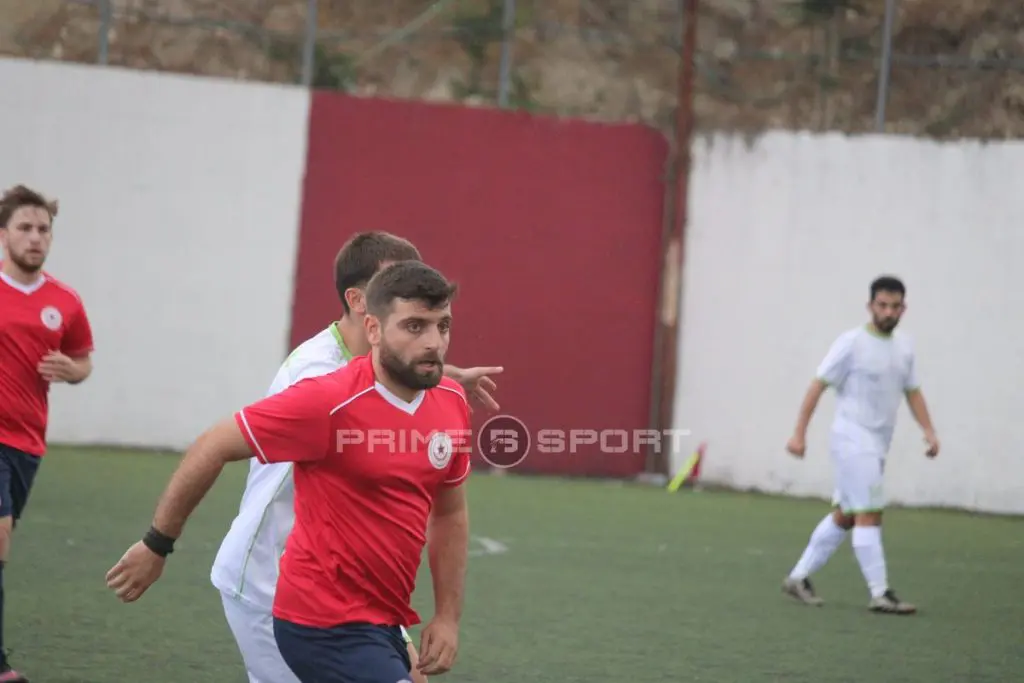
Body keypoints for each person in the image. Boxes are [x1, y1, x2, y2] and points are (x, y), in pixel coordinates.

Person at [107, 260, 472, 683]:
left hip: (381, 617)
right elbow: (213, 444)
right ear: (373, 329)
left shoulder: (451, 402)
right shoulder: (326, 400)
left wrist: (447, 617)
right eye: (414, 327)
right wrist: (157, 544)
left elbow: (449, 513)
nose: (433, 342)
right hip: (318, 622)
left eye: (442, 326)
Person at [208, 232, 501, 683]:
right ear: (361, 302)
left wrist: (444, 376)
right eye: (394, 285)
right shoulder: (319, 377)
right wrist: (157, 543)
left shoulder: (381, 369)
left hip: (352, 592)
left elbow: (387, 380)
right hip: (272, 579)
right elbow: (354, 393)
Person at [781, 275, 939, 614]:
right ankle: (880, 593)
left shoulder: (904, 347)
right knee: (869, 512)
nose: (888, 312)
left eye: (895, 306)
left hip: (878, 443)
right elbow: (817, 385)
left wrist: (928, 430)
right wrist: (799, 433)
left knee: (847, 515)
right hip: (851, 439)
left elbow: (913, 391)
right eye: (882, 305)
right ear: (870, 306)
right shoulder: (851, 343)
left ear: (903, 308)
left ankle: (797, 577)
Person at [0, 185, 95, 682]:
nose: (35, 237)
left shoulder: (65, 301)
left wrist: (70, 369)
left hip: (26, 443)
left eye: (43, 229)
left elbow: (83, 362)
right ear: (3, 234)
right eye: (25, 228)